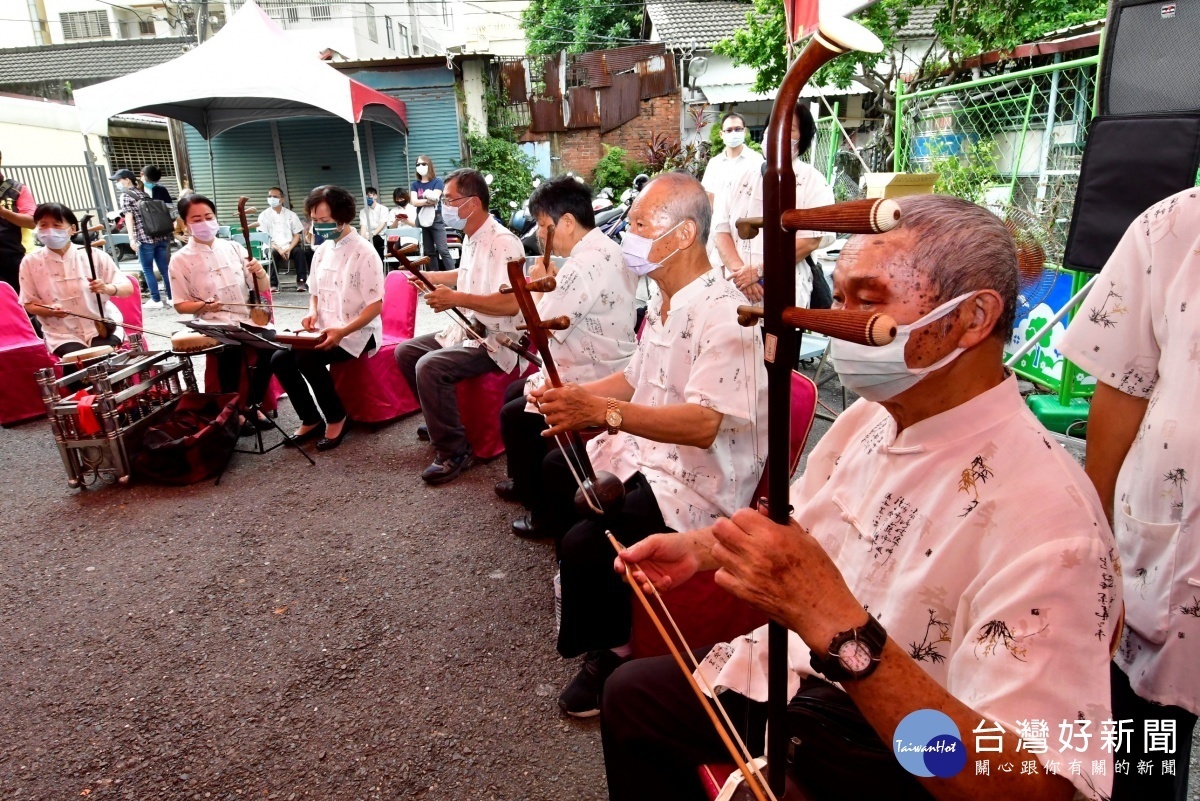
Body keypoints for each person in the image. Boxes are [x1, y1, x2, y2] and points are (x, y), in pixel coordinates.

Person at [600, 195, 1121, 801]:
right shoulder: (870, 419)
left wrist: (841, 630)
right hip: (804, 677)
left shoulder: (1053, 525)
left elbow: (1026, 785)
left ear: (973, 318)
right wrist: (699, 549)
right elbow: (807, 524)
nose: (835, 322)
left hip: (906, 741)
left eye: (867, 301)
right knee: (632, 697)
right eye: (839, 298)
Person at [530, 172, 767, 718]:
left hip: (698, 478)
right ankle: (588, 592)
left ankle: (612, 654)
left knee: (586, 542)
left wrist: (602, 413)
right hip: (651, 455)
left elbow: (705, 424)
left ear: (682, 236)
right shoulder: (664, 303)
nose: (627, 235)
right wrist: (568, 395)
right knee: (554, 466)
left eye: (638, 224)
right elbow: (635, 380)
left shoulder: (726, 313)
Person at [1058, 188, 1200, 801]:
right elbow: (1121, 386)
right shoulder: (1175, 226)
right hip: (1173, 553)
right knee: (1145, 754)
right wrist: (1095, 540)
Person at [496, 175, 639, 536]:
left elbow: (539, 328)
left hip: (595, 373)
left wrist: (539, 282)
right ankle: (524, 483)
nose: (543, 236)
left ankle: (542, 510)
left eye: (545, 227)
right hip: (614, 360)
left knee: (516, 413)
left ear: (568, 222)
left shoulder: (581, 265)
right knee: (515, 396)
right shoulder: (611, 249)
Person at [394, 168, 525, 484]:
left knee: (429, 366)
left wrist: (455, 298)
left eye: (450, 200)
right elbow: (467, 275)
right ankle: (441, 419)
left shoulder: (503, 242)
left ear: (473, 202)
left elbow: (511, 304)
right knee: (405, 352)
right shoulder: (472, 236)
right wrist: (433, 279)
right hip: (469, 330)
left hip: (498, 337)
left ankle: (454, 450)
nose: (444, 207)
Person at [245, 185, 382, 452]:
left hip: (357, 332)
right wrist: (311, 312)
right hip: (324, 328)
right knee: (279, 358)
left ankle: (337, 417)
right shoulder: (321, 250)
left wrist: (342, 332)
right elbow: (315, 292)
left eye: (324, 221)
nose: (317, 226)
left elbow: (375, 306)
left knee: (306, 357)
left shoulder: (364, 251)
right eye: (314, 220)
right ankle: (310, 418)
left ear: (343, 216)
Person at [712, 101, 833, 307]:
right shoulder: (739, 176)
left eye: (789, 128)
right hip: (737, 293)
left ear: (802, 138)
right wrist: (742, 274)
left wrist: (758, 270)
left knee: (779, 338)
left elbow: (810, 240)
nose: (778, 133)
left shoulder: (813, 181)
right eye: (774, 125)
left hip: (785, 293)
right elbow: (720, 229)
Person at [169, 193, 271, 432]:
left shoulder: (234, 247)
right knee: (231, 351)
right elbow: (180, 305)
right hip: (213, 322)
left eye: (208, 216)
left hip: (245, 317)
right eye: (196, 219)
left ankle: (253, 404)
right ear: (184, 223)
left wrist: (259, 272)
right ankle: (234, 411)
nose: (204, 223)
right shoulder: (180, 259)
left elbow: (263, 288)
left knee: (273, 346)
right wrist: (203, 305)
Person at [19, 203, 132, 372]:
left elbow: (127, 288)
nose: (49, 230)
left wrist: (107, 288)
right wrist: (49, 310)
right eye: (43, 225)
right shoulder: (30, 262)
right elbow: (28, 304)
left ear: (72, 229)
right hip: (61, 334)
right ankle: (85, 398)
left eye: (57, 225)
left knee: (104, 363)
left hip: (101, 327)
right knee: (78, 365)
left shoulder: (94, 255)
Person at [112, 168, 172, 309]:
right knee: (164, 269)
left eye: (118, 180)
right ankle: (171, 297)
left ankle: (156, 300)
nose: (117, 183)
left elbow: (129, 217)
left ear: (127, 180)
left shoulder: (126, 195)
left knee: (147, 269)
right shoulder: (142, 192)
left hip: (145, 238)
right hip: (160, 235)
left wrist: (131, 239)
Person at [256, 187, 309, 292]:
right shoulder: (263, 215)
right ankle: (273, 284)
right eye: (270, 196)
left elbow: (297, 235)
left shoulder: (291, 215)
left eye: (275, 197)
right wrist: (279, 249)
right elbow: (264, 237)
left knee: (299, 252)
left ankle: (301, 281)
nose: (272, 199)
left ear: (282, 199)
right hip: (272, 245)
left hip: (290, 245)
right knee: (273, 254)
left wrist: (289, 249)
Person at [410, 155, 456, 271]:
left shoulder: (438, 181)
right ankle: (435, 280)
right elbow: (414, 202)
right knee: (429, 252)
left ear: (429, 165)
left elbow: (435, 198)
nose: (420, 166)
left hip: (436, 218)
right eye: (418, 164)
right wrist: (428, 200)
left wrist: (425, 201)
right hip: (421, 219)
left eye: (423, 164)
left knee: (443, 250)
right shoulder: (415, 184)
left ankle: (455, 278)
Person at [0, 149, 37, 292]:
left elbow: (31, 222)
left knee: (25, 304)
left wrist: (3, 212)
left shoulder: (17, 189)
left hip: (18, 258)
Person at [359, 186, 391, 260]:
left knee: (372, 243)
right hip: (367, 236)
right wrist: (362, 237)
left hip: (380, 236)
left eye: (369, 196)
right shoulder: (363, 211)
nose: (367, 198)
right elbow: (363, 226)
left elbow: (382, 225)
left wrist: (372, 235)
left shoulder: (383, 209)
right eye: (365, 197)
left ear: (375, 196)